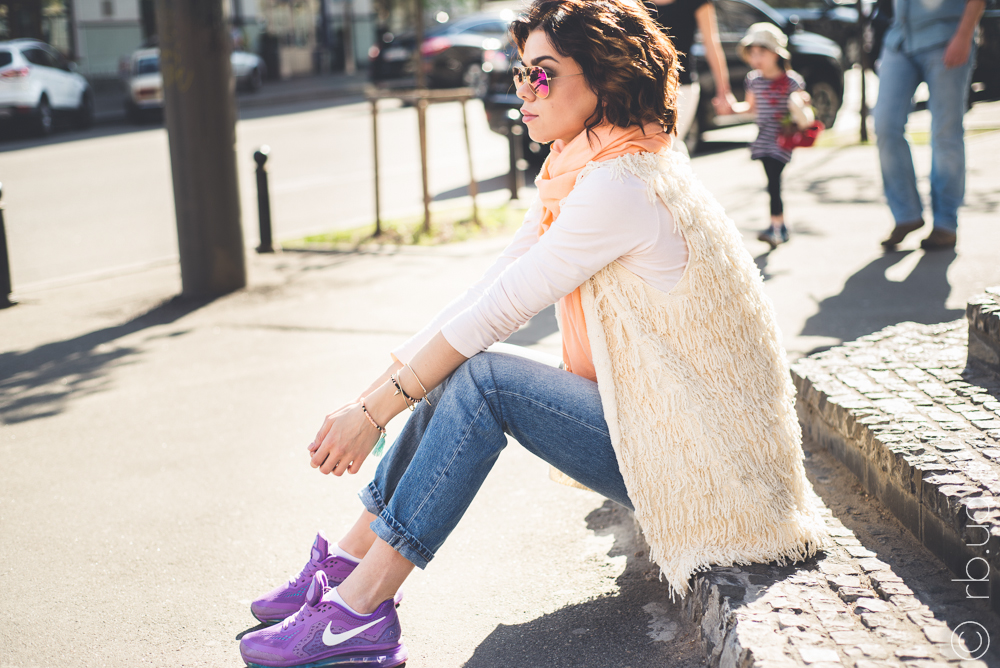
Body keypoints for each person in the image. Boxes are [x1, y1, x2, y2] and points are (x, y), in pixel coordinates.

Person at [238, 1, 829, 666]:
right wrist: (365, 402)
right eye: (521, 72)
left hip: (708, 472)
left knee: (483, 379)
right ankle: (349, 564)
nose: (524, 88)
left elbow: (498, 313)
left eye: (541, 74)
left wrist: (375, 414)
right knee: (459, 367)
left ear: (602, 78)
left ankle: (357, 612)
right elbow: (482, 294)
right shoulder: (581, 170)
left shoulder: (622, 185)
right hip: (668, 437)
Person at [875, 0, 986, 251]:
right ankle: (906, 215)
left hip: (946, 36)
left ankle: (945, 223)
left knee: (945, 132)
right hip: (899, 39)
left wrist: (964, 35)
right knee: (884, 124)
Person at [730, 23, 811, 249]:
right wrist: (730, 108)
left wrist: (803, 102)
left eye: (761, 53)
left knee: (774, 182)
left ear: (776, 54)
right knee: (773, 183)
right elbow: (750, 108)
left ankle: (776, 228)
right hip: (763, 138)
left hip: (782, 139)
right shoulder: (753, 80)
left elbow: (803, 106)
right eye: (752, 53)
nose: (756, 58)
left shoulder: (791, 80)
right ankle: (780, 227)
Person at [648, 0, 736, 152]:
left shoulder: (696, 2)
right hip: (643, 86)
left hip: (683, 86)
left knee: (670, 144)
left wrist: (724, 91)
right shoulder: (635, 3)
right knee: (652, 147)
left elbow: (711, 43)